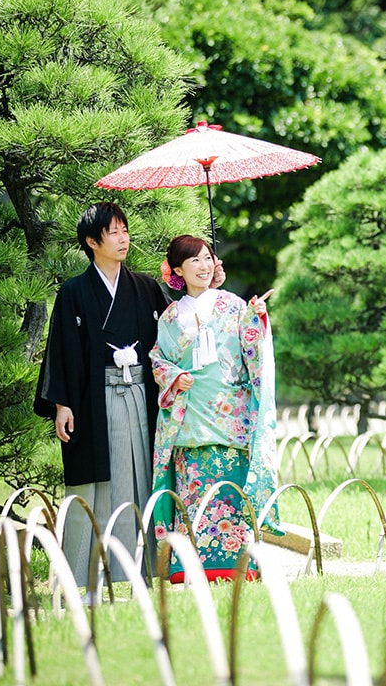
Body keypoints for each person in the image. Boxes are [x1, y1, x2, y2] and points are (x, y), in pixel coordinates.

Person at [33, 202, 173, 588]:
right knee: (94, 482)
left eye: (125, 229)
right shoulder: (75, 292)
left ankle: (144, 568)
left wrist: (205, 287)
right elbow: (61, 351)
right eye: (113, 232)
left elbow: (176, 334)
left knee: (142, 476)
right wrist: (62, 403)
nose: (123, 237)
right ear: (93, 242)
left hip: (142, 396)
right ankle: (84, 574)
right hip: (96, 399)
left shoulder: (145, 288)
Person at [150, 234, 283, 583]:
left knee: (231, 493)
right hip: (191, 419)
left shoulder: (233, 305)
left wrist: (256, 319)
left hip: (230, 418)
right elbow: (157, 358)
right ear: (177, 269)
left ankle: (239, 565)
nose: (204, 266)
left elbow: (251, 349)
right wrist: (175, 375)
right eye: (194, 260)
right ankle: (189, 567)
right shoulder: (169, 317)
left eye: (208, 258)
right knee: (194, 493)